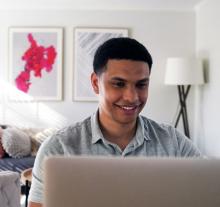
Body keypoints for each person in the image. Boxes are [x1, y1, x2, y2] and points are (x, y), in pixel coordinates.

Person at [28, 37, 201, 207]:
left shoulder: (174, 143)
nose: (132, 97)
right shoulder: (58, 148)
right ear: (96, 83)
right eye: (119, 84)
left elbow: (207, 192)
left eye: (141, 85)